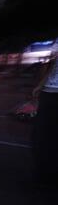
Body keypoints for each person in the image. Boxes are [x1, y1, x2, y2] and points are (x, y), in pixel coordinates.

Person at [32, 51, 58, 184]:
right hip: (48, 91)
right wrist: (40, 85)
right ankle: (43, 171)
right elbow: (53, 66)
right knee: (41, 134)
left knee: (50, 137)